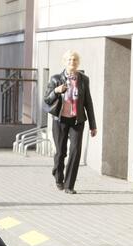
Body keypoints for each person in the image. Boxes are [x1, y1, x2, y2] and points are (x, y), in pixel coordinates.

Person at [44, 50, 97, 194]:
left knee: (75, 152)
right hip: (60, 120)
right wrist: (56, 90)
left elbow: (88, 103)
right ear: (64, 62)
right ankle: (58, 175)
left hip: (77, 120)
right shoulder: (56, 79)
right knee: (61, 152)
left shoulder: (84, 80)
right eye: (69, 60)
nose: (72, 62)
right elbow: (47, 100)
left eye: (74, 60)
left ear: (78, 63)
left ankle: (69, 185)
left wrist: (93, 125)